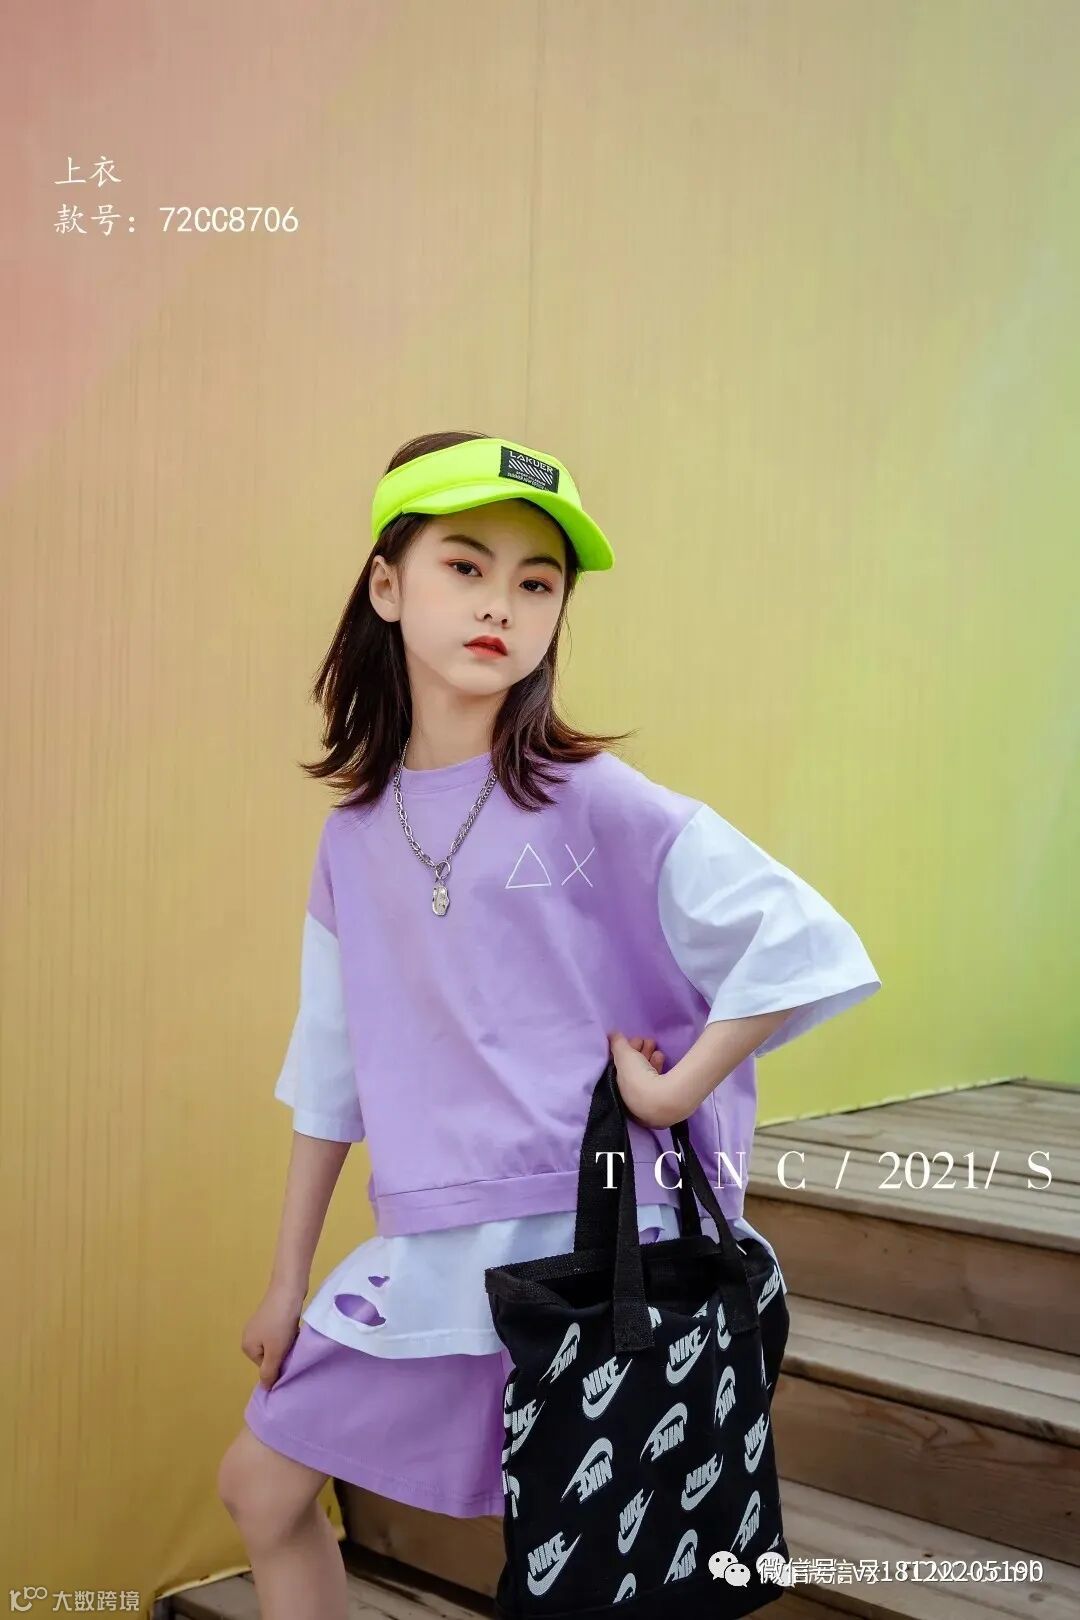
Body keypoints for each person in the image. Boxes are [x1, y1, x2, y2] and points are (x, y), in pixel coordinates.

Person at [216, 429, 882, 1619]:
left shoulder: (592, 800)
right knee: (262, 1489)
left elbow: (801, 940)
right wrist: (286, 1280)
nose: (502, 606)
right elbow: (332, 1072)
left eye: (536, 584)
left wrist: (675, 1091)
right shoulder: (354, 839)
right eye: (466, 567)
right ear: (387, 586)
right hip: (437, 1245)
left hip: (594, 1247)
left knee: (597, 1583)